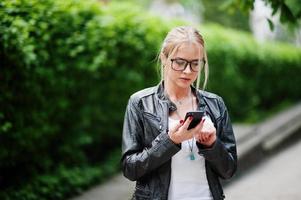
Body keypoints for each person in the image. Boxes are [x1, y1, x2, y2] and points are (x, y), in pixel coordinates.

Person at [121, 26, 237, 200]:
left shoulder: (215, 104)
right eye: (180, 62)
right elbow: (130, 169)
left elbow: (228, 170)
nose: (188, 71)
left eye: (195, 63)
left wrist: (212, 144)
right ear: (164, 59)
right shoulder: (140, 103)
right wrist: (171, 141)